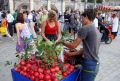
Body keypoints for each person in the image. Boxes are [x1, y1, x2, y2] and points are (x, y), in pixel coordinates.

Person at [62, 9, 101, 81]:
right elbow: (85, 49)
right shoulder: (96, 29)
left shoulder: (85, 28)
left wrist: (62, 42)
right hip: (95, 64)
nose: (81, 20)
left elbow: (73, 45)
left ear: (86, 17)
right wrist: (71, 54)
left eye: (82, 18)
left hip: (89, 64)